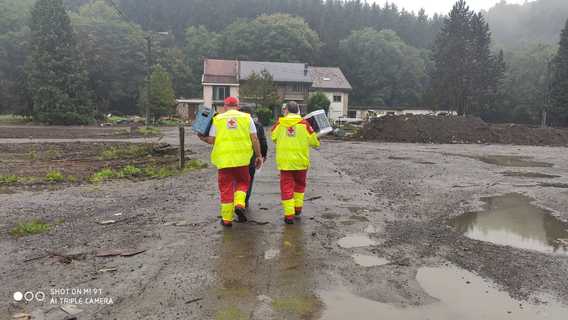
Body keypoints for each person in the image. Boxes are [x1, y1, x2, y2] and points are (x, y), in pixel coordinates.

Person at [198, 97, 263, 227]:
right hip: (242, 160)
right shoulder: (247, 118)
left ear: (225, 106)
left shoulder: (218, 119)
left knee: (226, 188)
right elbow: (255, 139)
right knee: (243, 182)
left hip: (224, 161)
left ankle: (227, 220)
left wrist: (202, 138)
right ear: (237, 106)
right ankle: (239, 204)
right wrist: (258, 155)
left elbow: (212, 140)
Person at [271, 101, 320, 225]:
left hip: (285, 162)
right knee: (299, 186)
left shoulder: (280, 123)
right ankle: (297, 210)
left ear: (286, 110)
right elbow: (314, 142)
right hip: (301, 161)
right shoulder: (305, 124)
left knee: (286, 187)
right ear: (297, 110)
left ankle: (289, 215)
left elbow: (273, 137)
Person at [240, 107, 268, 209]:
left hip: (236, 157)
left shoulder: (235, 125)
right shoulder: (257, 126)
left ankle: (236, 200)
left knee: (236, 179)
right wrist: (262, 155)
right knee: (249, 179)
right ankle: (245, 201)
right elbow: (262, 141)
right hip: (251, 158)